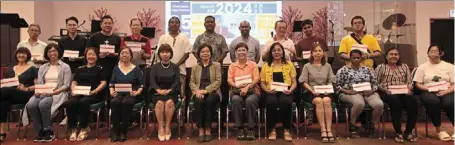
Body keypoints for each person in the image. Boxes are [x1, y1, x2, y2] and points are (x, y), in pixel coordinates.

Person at [25, 43, 71, 142]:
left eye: (54, 50)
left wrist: (55, 92)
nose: (52, 53)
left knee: (43, 104)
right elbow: (41, 83)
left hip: (58, 92)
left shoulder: (65, 67)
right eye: (49, 51)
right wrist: (38, 91)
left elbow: (66, 85)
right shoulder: (43, 67)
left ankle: (48, 131)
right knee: (31, 104)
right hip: (43, 91)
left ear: (58, 52)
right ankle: (40, 131)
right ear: (47, 54)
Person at [335, 49, 383, 137]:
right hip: (349, 93)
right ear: (350, 58)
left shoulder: (368, 70)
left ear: (361, 58)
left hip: (368, 92)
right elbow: (337, 86)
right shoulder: (343, 70)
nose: (356, 59)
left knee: (379, 104)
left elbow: (375, 84)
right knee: (359, 103)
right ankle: (352, 124)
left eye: (358, 58)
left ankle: (371, 124)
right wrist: (347, 91)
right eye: (354, 58)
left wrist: (371, 91)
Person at [375, 47, 417, 142]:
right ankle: (398, 132)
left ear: (399, 56)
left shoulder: (404, 66)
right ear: (386, 56)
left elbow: (409, 81)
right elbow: (376, 83)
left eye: (396, 54)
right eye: (391, 54)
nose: (394, 56)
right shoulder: (381, 67)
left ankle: (409, 131)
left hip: (403, 92)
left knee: (412, 101)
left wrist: (409, 88)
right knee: (395, 101)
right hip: (387, 93)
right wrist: (385, 90)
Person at [413, 44, 454, 141]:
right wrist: (429, 89)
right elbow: (418, 84)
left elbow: (454, 84)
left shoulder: (449, 66)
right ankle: (439, 129)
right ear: (427, 53)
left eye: (436, 51)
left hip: (446, 90)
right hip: (428, 91)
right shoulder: (422, 67)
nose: (433, 53)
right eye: (431, 51)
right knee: (433, 101)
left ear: (442, 53)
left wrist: (445, 92)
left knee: (449, 102)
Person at [66, 47, 107, 141]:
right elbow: (74, 82)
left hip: (94, 94)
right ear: (85, 56)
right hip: (79, 92)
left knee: (84, 102)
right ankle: (73, 128)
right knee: (70, 103)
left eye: (93, 54)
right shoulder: (80, 69)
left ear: (97, 57)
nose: (91, 56)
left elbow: (103, 82)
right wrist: (73, 90)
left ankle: (84, 128)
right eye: (89, 54)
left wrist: (95, 91)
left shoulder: (100, 69)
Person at [298, 43, 336, 142]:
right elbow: (303, 81)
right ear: (311, 53)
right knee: (319, 101)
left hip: (325, 91)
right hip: (311, 92)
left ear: (323, 53)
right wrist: (312, 90)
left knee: (327, 100)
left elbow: (332, 79)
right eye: (315, 51)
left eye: (320, 51)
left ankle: (329, 129)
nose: (318, 53)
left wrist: (328, 89)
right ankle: (323, 130)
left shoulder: (327, 66)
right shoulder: (307, 66)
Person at [0, 47, 38, 143]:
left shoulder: (32, 68)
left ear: (27, 55)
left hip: (25, 94)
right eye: (19, 53)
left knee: (3, 92)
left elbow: (37, 85)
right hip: (8, 95)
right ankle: (2, 132)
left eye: (24, 53)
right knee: (2, 103)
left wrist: (26, 88)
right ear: (16, 55)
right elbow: (5, 83)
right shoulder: (9, 69)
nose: (21, 55)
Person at [260, 42, 297, 142]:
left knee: (286, 102)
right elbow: (262, 83)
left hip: (286, 91)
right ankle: (272, 130)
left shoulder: (289, 64)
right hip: (270, 91)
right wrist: (266, 90)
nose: (276, 52)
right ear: (271, 53)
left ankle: (286, 130)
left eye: (279, 50)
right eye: (274, 50)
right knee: (271, 102)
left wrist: (290, 90)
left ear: (282, 52)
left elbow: (294, 82)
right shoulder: (266, 65)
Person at [109, 47, 144, 142]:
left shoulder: (136, 69)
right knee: (115, 102)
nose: (124, 55)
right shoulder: (116, 69)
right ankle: (115, 131)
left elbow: (141, 85)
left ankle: (124, 131)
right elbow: (111, 82)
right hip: (118, 93)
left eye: (127, 53)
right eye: (122, 53)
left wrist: (137, 92)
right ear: (119, 56)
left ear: (131, 56)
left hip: (131, 93)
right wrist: (111, 91)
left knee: (126, 103)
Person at [227, 43, 260, 141]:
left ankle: (251, 129)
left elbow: (256, 78)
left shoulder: (253, 64)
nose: (241, 52)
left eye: (243, 50)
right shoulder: (232, 66)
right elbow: (229, 80)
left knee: (250, 101)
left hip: (252, 91)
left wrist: (247, 87)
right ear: (236, 53)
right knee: (236, 100)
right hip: (237, 91)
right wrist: (237, 86)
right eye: (239, 50)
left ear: (247, 52)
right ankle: (240, 128)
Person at [189, 44, 222, 143]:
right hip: (198, 92)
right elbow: (192, 82)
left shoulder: (216, 65)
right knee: (199, 101)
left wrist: (206, 90)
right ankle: (201, 130)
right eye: (202, 52)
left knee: (210, 101)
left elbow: (218, 81)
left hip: (213, 92)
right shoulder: (195, 66)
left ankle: (208, 129)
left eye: (207, 51)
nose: (205, 53)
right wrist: (197, 91)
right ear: (199, 54)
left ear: (211, 53)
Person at [149, 44, 180, 141]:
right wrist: (159, 90)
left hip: (171, 92)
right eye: (162, 52)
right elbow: (152, 81)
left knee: (169, 103)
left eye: (167, 52)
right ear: (159, 54)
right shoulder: (155, 67)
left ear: (170, 54)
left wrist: (170, 90)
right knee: (159, 103)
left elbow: (176, 81)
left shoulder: (175, 67)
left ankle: (167, 126)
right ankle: (160, 127)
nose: (165, 54)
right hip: (157, 92)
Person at [156, 16, 191, 99]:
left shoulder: (184, 37)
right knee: (165, 93)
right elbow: (159, 52)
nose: (174, 24)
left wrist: (175, 66)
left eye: (176, 22)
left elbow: (187, 54)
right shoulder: (163, 37)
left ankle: (181, 111)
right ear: (169, 24)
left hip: (180, 70)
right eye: (172, 22)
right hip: (164, 71)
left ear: (179, 25)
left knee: (181, 94)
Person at [87, 15, 121, 82]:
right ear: (101, 25)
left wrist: (114, 54)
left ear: (112, 25)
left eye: (109, 23)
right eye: (105, 23)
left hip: (112, 68)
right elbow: (87, 52)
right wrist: (98, 55)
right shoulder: (94, 37)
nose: (107, 25)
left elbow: (120, 53)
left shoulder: (117, 38)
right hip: (97, 67)